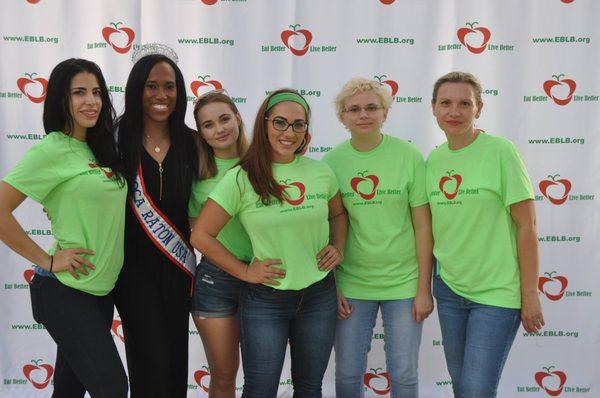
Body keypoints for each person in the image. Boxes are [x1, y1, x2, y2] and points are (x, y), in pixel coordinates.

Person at [191, 89, 347, 398]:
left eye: (298, 124)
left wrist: (338, 247)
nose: (289, 132)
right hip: (265, 300)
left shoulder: (321, 172)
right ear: (264, 125)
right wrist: (246, 271)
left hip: (319, 295)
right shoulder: (242, 177)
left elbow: (338, 214)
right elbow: (201, 235)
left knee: (309, 388)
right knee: (260, 390)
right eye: (280, 122)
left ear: (306, 131)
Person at [0, 58, 128, 397]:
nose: (91, 101)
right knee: (113, 387)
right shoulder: (52, 149)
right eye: (79, 93)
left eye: (97, 92)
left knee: (70, 389)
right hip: (65, 290)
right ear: (61, 99)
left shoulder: (102, 149)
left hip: (100, 292)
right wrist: (48, 260)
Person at [427, 71, 544, 398]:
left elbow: (527, 227)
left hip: (496, 293)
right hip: (449, 290)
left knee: (476, 390)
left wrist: (531, 293)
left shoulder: (501, 152)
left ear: (478, 109)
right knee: (461, 386)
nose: (454, 111)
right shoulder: (434, 160)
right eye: (446, 103)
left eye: (465, 103)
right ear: (433, 108)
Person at [323, 77, 433, 398]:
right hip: (352, 284)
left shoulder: (409, 156)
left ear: (385, 112)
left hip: (405, 283)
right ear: (342, 117)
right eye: (353, 109)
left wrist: (423, 288)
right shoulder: (331, 163)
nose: (363, 115)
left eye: (372, 107)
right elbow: (329, 229)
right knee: (346, 374)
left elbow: (423, 227)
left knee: (403, 373)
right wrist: (334, 285)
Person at [114, 46, 199, 397]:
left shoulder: (192, 142)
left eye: (170, 86)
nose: (161, 95)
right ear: (137, 89)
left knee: (176, 361)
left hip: (178, 270)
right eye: (151, 86)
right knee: (149, 361)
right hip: (132, 272)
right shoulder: (115, 140)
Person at [189, 90, 250, 397]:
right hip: (217, 282)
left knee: (262, 376)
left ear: (238, 119)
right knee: (224, 377)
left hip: (265, 279)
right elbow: (192, 230)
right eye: (208, 125)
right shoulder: (195, 175)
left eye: (225, 118)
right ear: (201, 133)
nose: (220, 129)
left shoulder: (264, 164)